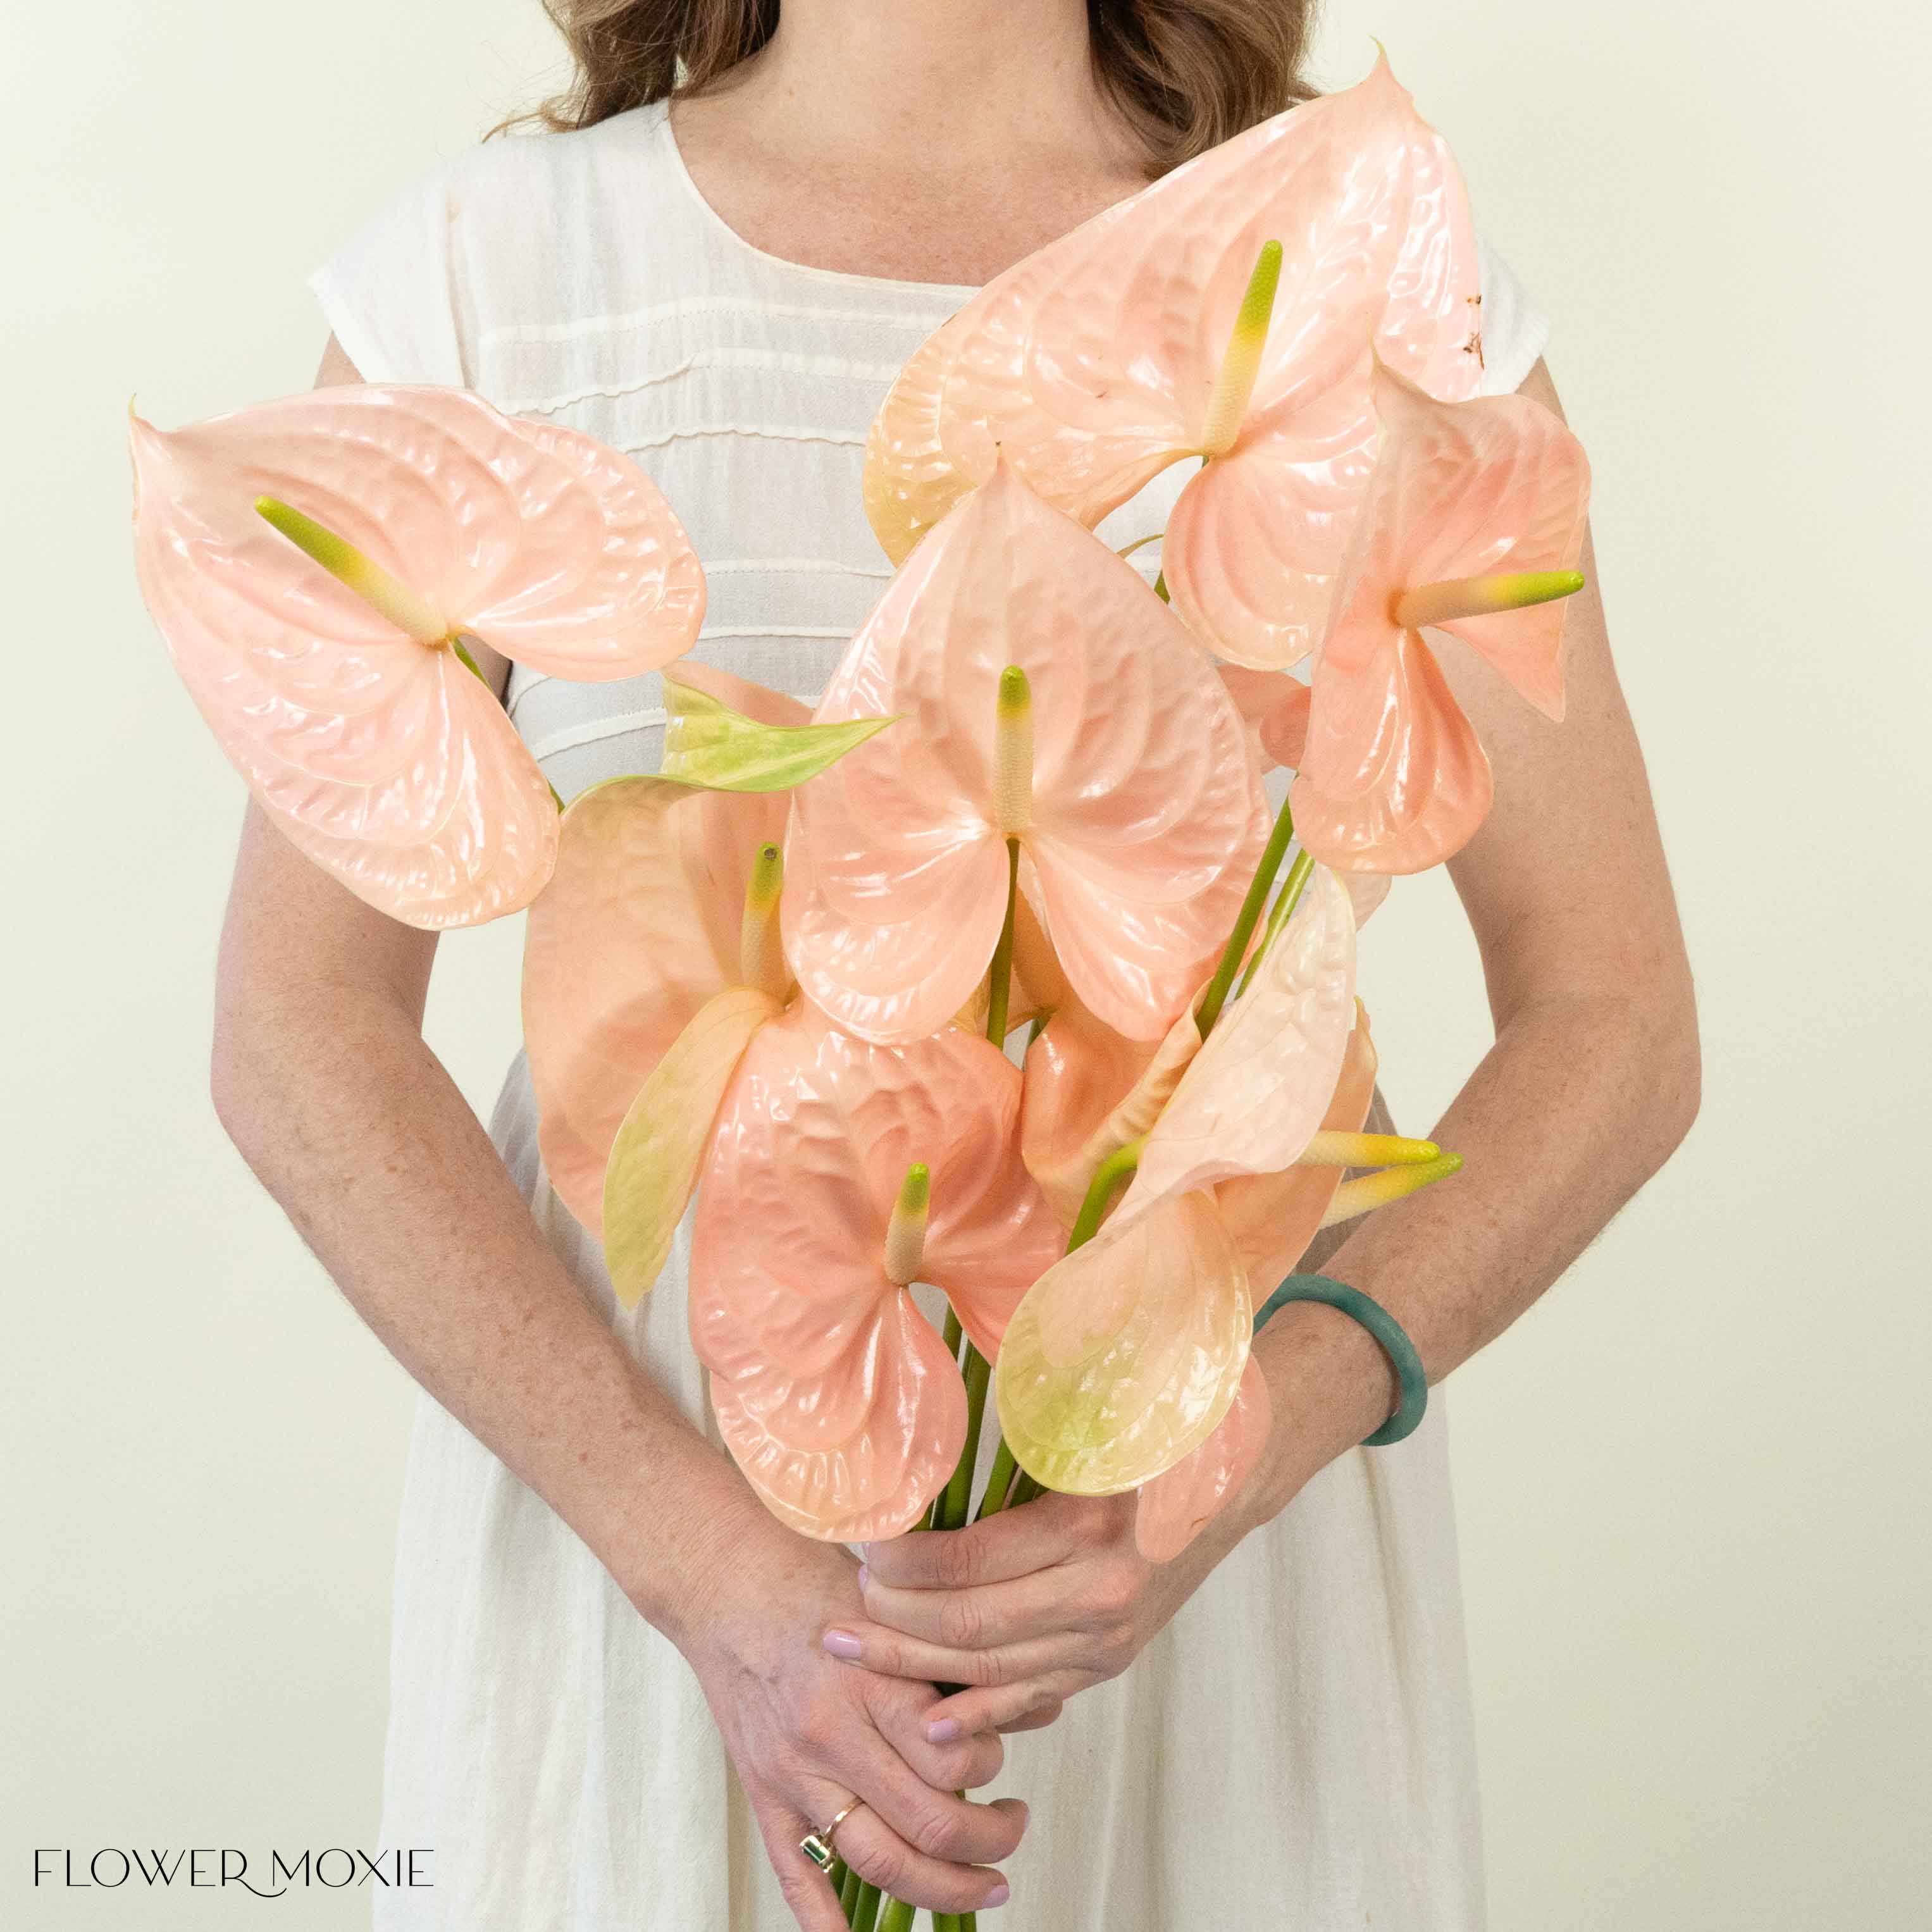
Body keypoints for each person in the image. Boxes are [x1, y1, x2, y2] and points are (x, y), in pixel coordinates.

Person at [210, 3, 1700, 1926]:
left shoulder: (1360, 279)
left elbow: (1615, 1016)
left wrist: (1233, 1460)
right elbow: (297, 1020)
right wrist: (729, 1596)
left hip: (1186, 1558)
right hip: (653, 1541)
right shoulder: (491, 280)